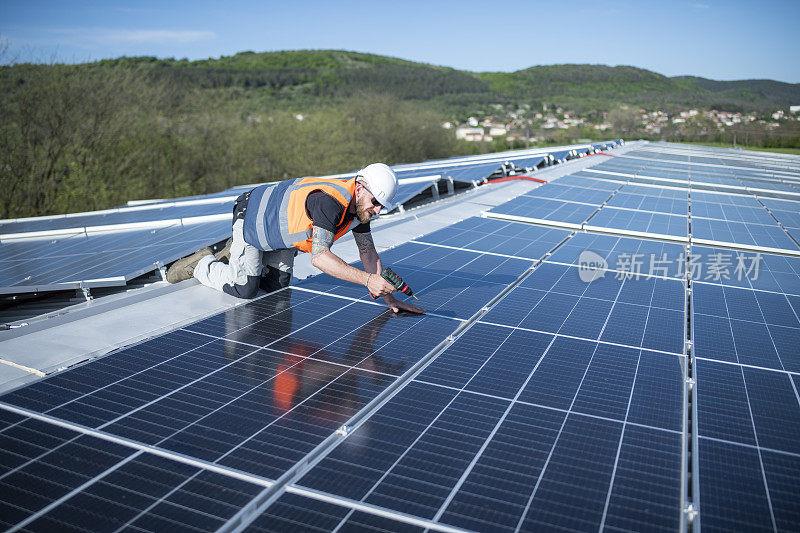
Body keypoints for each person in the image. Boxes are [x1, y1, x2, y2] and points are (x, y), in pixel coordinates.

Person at [166, 163, 424, 315]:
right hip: (251, 218)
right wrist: (368, 280)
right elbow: (320, 258)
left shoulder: (359, 211)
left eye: (382, 206)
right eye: (376, 202)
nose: (378, 210)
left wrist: (389, 298)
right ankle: (201, 263)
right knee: (246, 288)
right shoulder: (330, 202)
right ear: (359, 188)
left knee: (277, 288)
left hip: (277, 235)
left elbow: (368, 253)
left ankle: (236, 254)